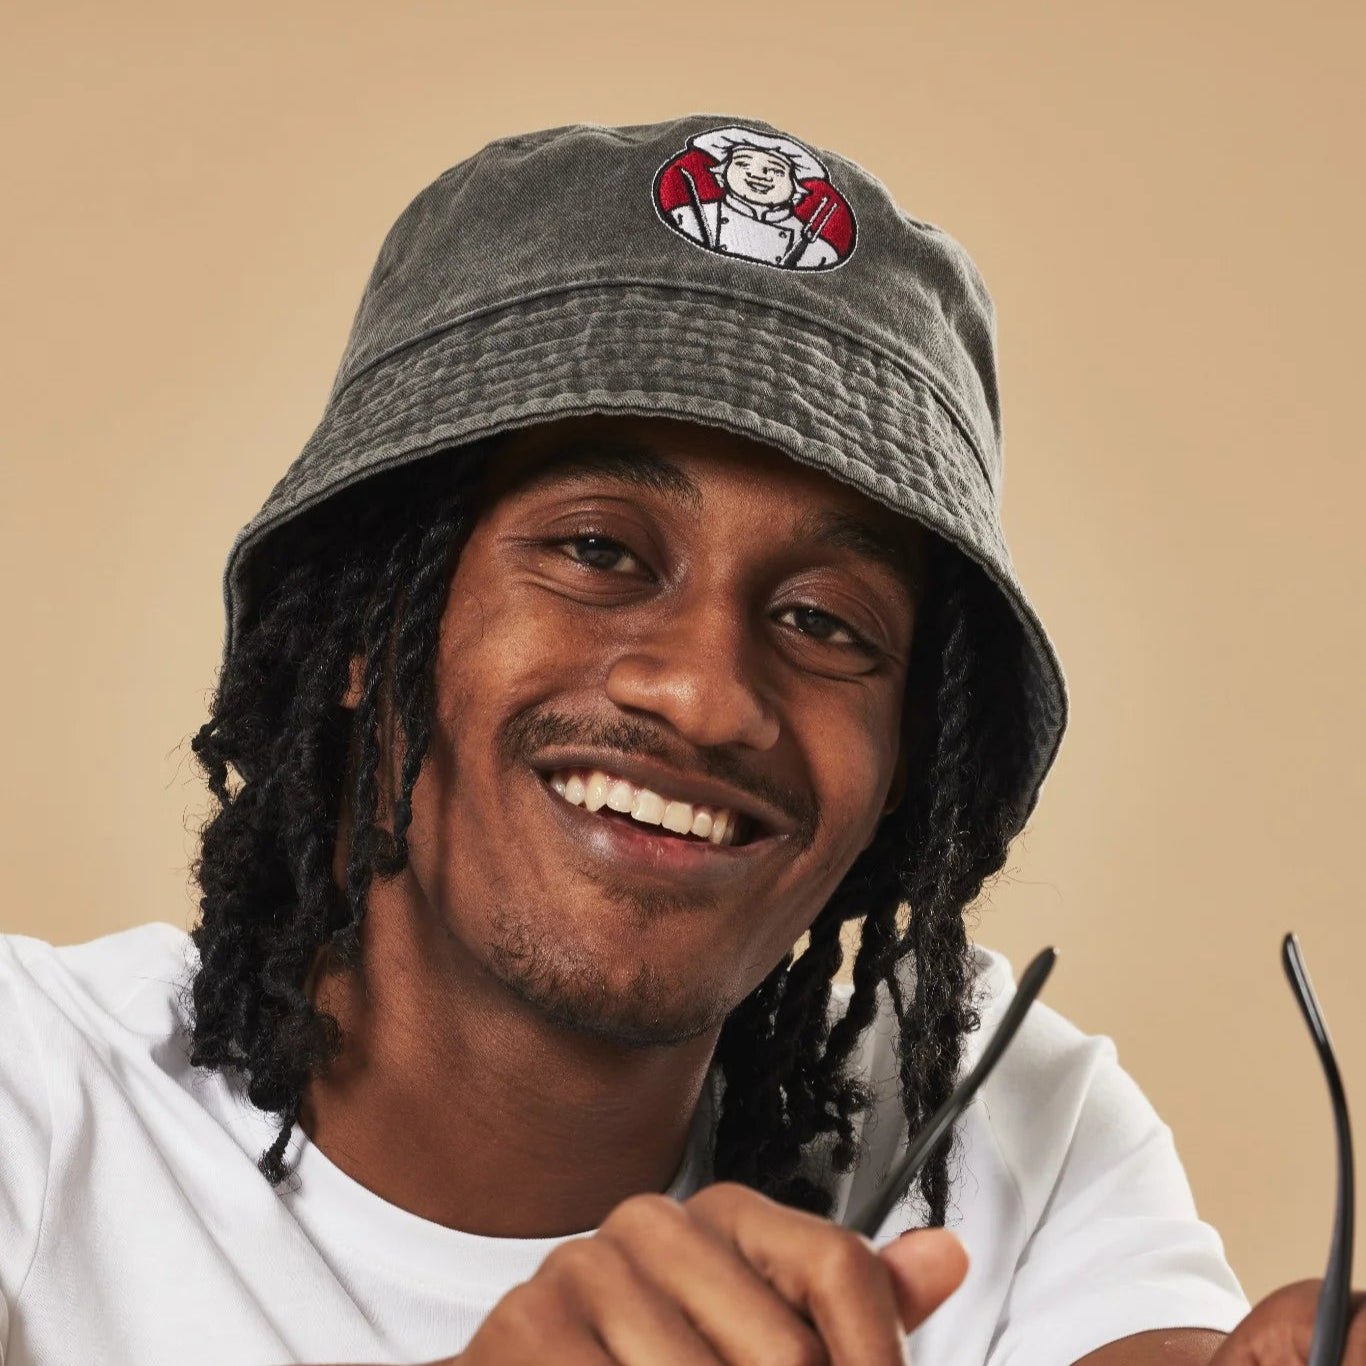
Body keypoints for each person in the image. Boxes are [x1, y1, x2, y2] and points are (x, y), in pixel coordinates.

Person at [0, 114, 1360, 1366]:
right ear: (367, 625)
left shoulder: (1004, 1125)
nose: (708, 694)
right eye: (597, 549)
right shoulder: (34, 1096)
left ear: (904, 771)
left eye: (826, 622)